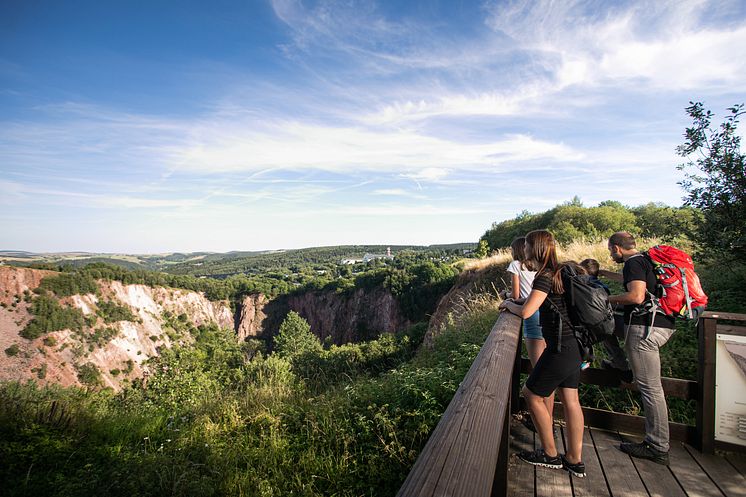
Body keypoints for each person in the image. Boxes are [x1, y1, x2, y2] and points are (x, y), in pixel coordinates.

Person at [500, 230, 586, 478]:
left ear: (534, 248)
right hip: (576, 347)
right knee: (571, 401)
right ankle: (574, 459)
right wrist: (515, 303)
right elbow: (534, 304)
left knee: (532, 394)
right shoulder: (562, 271)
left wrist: (507, 304)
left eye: (526, 245)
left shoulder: (545, 276)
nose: (523, 250)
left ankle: (550, 454)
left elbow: (527, 311)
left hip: (560, 348)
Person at [607, 231, 674, 465]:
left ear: (616, 248)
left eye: (610, 251)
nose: (610, 254)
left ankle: (657, 445)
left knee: (651, 388)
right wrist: (605, 275)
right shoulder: (644, 260)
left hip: (644, 329)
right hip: (660, 324)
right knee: (602, 326)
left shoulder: (632, 264)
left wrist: (607, 300)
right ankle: (620, 364)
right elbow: (642, 285)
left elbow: (636, 296)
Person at [579, 258, 633, 382]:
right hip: (610, 318)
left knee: (604, 335)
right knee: (608, 336)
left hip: (599, 321)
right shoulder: (600, 284)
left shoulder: (585, 284)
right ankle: (622, 366)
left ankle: (620, 366)